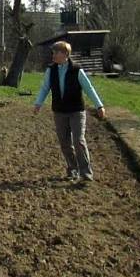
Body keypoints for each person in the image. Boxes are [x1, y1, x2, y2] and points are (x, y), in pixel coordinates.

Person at [34, 40, 106, 182]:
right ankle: (72, 169)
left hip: (76, 111)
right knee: (64, 142)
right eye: (53, 52)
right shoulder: (51, 70)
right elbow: (45, 88)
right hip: (59, 111)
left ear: (65, 54)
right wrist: (38, 103)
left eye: (56, 52)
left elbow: (89, 88)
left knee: (78, 140)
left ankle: (86, 173)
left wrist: (99, 105)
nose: (53, 55)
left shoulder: (77, 70)